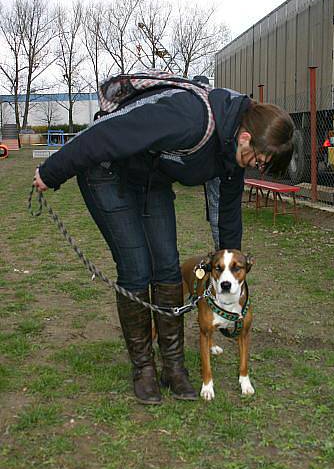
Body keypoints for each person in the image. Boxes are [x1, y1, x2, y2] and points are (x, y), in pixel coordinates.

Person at [33, 70, 294, 405]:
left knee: (169, 268)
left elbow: (228, 220)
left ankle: (174, 368)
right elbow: (107, 133)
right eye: (259, 159)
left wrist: (231, 273)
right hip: (107, 170)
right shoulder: (189, 117)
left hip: (149, 179)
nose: (256, 165)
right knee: (136, 268)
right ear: (246, 136)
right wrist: (52, 170)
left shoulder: (233, 156)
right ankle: (143, 369)